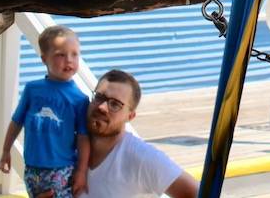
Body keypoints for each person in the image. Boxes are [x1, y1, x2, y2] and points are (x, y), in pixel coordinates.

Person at [0, 25, 90, 197]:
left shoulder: (80, 99)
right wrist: (5, 151)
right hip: (32, 168)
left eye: (74, 54)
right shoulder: (32, 90)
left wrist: (81, 171)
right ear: (44, 59)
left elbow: (83, 138)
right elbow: (16, 122)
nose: (69, 60)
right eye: (60, 55)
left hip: (62, 169)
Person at [83, 69, 198, 198]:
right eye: (99, 97)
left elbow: (196, 192)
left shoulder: (140, 157)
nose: (102, 107)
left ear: (130, 116)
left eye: (115, 104)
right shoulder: (69, 143)